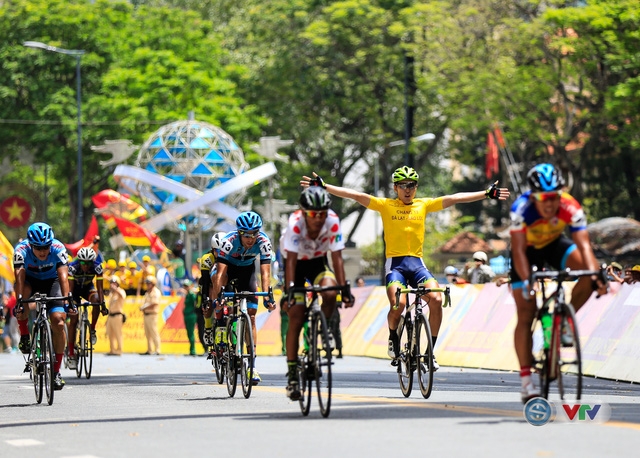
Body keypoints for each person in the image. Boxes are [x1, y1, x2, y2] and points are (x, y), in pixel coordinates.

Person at [301, 168, 509, 373]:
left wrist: (485, 193)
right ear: (395, 188)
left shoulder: (424, 204)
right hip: (396, 266)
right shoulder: (386, 205)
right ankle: (393, 338)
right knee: (398, 305)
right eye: (403, 186)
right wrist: (325, 187)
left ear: (416, 187)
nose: (407, 190)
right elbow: (356, 195)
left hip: (417, 265)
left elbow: (455, 198)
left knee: (436, 300)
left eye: (411, 185)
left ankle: (429, 354)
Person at [509, 163, 607, 403]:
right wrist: (528, 282)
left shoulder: (570, 206)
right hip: (527, 251)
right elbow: (519, 250)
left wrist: (596, 275)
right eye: (544, 199)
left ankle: (562, 322)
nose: (550, 204)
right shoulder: (521, 209)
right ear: (533, 196)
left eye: (554, 197)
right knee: (526, 311)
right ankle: (526, 382)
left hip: (554, 244)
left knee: (588, 275)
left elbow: (584, 247)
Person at [280, 186, 354, 399]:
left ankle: (321, 328)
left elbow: (337, 257)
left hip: (318, 263)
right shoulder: (295, 224)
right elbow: (291, 263)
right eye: (313, 214)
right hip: (296, 265)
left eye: (322, 213)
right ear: (303, 212)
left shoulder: (332, 220)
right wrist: (289, 291)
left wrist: (344, 288)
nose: (319, 218)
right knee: (296, 315)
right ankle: (293, 373)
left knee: (331, 293)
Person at [208, 212, 277, 385]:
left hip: (247, 273)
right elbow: (221, 273)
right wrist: (219, 296)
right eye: (247, 235)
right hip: (228, 269)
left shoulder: (263, 241)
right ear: (239, 233)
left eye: (254, 233)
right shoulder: (229, 241)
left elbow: (265, 271)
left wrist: (268, 294)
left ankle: (251, 366)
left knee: (251, 316)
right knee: (223, 291)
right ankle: (224, 333)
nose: (251, 238)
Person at [13, 222, 71, 390]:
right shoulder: (20, 251)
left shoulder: (58, 248)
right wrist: (19, 300)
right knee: (22, 302)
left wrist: (68, 299)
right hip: (30, 281)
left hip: (52, 281)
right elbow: (19, 277)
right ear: (30, 245)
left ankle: (56, 371)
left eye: (46, 247)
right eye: (38, 248)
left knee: (59, 322)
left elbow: (63, 276)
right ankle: (24, 335)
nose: (43, 251)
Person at [67, 247, 107, 369]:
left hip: (87, 288)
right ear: (79, 261)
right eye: (83, 262)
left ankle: (92, 329)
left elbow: (100, 288)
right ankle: (71, 353)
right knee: (73, 319)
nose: (85, 265)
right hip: (74, 291)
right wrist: (70, 305)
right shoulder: (73, 267)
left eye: (88, 263)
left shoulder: (97, 267)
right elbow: (70, 289)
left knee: (96, 300)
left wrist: (103, 304)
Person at [200, 232, 225, 351]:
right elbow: (205, 282)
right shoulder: (207, 259)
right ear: (212, 249)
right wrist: (205, 299)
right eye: (217, 251)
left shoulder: (230, 256)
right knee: (209, 300)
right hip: (209, 282)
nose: (220, 254)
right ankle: (208, 327)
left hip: (225, 281)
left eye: (222, 251)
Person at [140, 275, 161, 355]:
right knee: (147, 333)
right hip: (146, 314)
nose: (147, 285)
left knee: (154, 332)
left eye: (149, 283)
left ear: (153, 284)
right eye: (147, 283)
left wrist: (144, 307)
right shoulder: (147, 293)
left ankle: (158, 349)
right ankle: (150, 349)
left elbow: (154, 303)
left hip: (152, 314)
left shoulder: (156, 292)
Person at [105, 276, 126, 356]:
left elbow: (123, 296)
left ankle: (119, 350)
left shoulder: (120, 291)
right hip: (111, 315)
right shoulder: (111, 294)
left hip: (117, 315)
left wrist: (116, 289)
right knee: (110, 334)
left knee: (118, 333)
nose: (112, 285)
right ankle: (112, 350)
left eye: (114, 283)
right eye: (111, 283)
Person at [181, 279, 198, 356]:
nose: (185, 287)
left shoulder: (191, 294)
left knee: (191, 333)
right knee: (189, 333)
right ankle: (191, 349)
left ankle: (193, 350)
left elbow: (196, 304)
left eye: (187, 286)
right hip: (187, 315)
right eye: (184, 286)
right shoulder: (188, 294)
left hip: (191, 315)